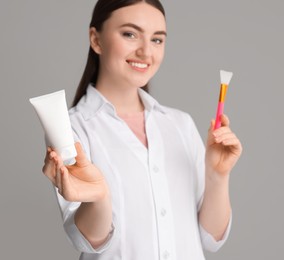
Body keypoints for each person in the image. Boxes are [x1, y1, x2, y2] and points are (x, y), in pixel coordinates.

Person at [42, 0, 242, 259]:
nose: (146, 52)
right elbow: (88, 241)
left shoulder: (181, 125)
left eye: (157, 40)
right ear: (96, 39)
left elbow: (211, 238)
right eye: (130, 34)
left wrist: (217, 175)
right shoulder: (73, 128)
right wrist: (100, 197)